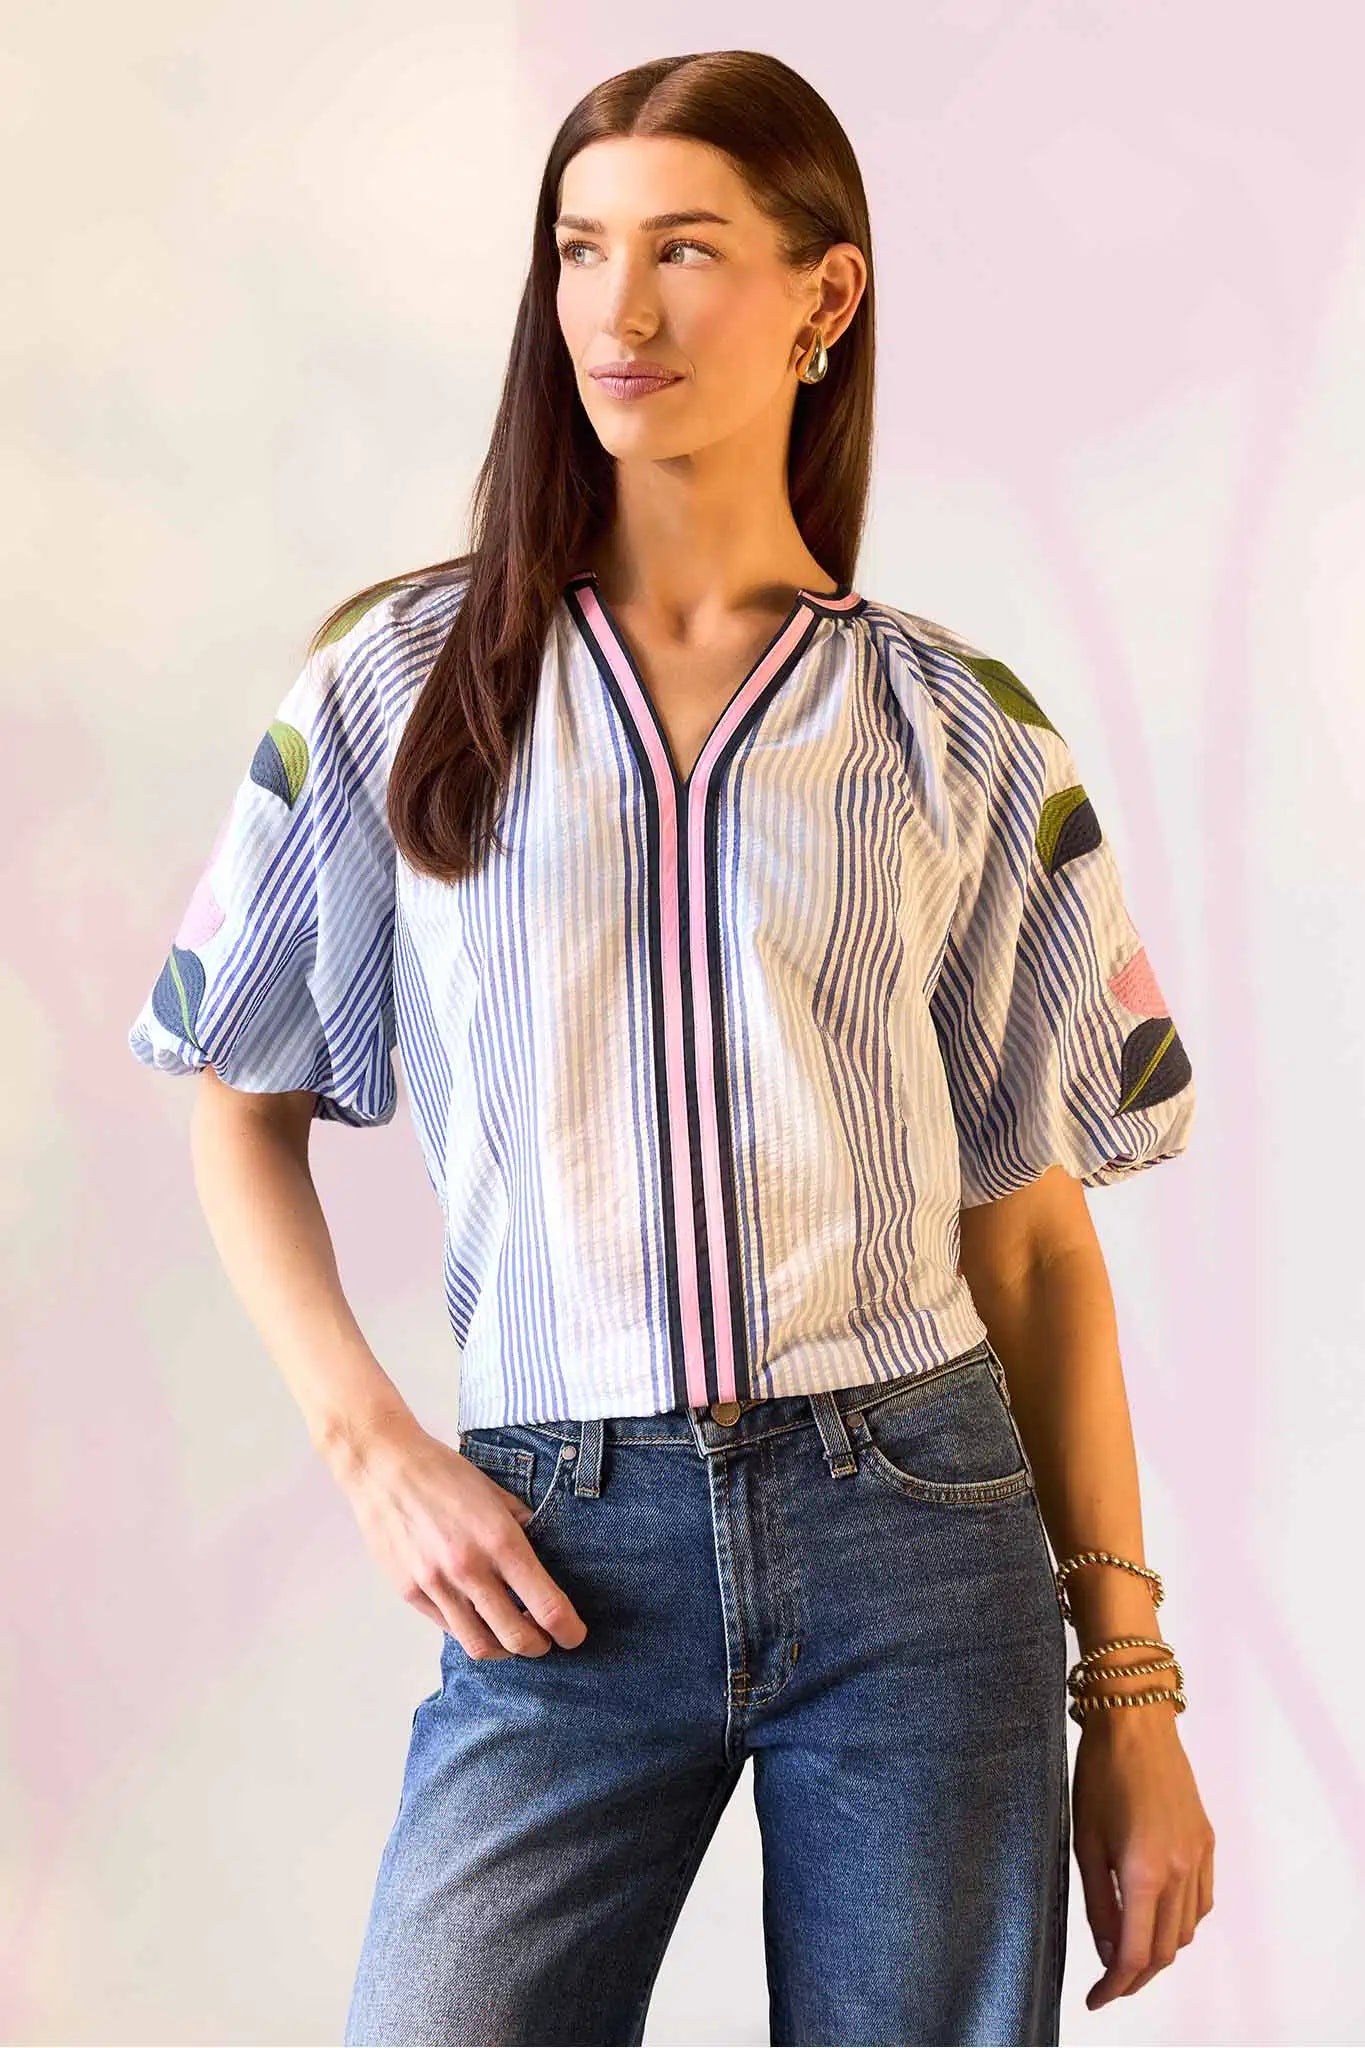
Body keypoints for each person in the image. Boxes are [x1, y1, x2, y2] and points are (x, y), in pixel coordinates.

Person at [126, 48, 1215, 2048]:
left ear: (822, 298)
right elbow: (238, 1098)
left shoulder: (949, 734)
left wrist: (1125, 1701)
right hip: (557, 1544)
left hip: (919, 1537)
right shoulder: (398, 685)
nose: (616, 313)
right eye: (579, 251)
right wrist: (373, 1448)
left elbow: (1037, 1247)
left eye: (686, 252)